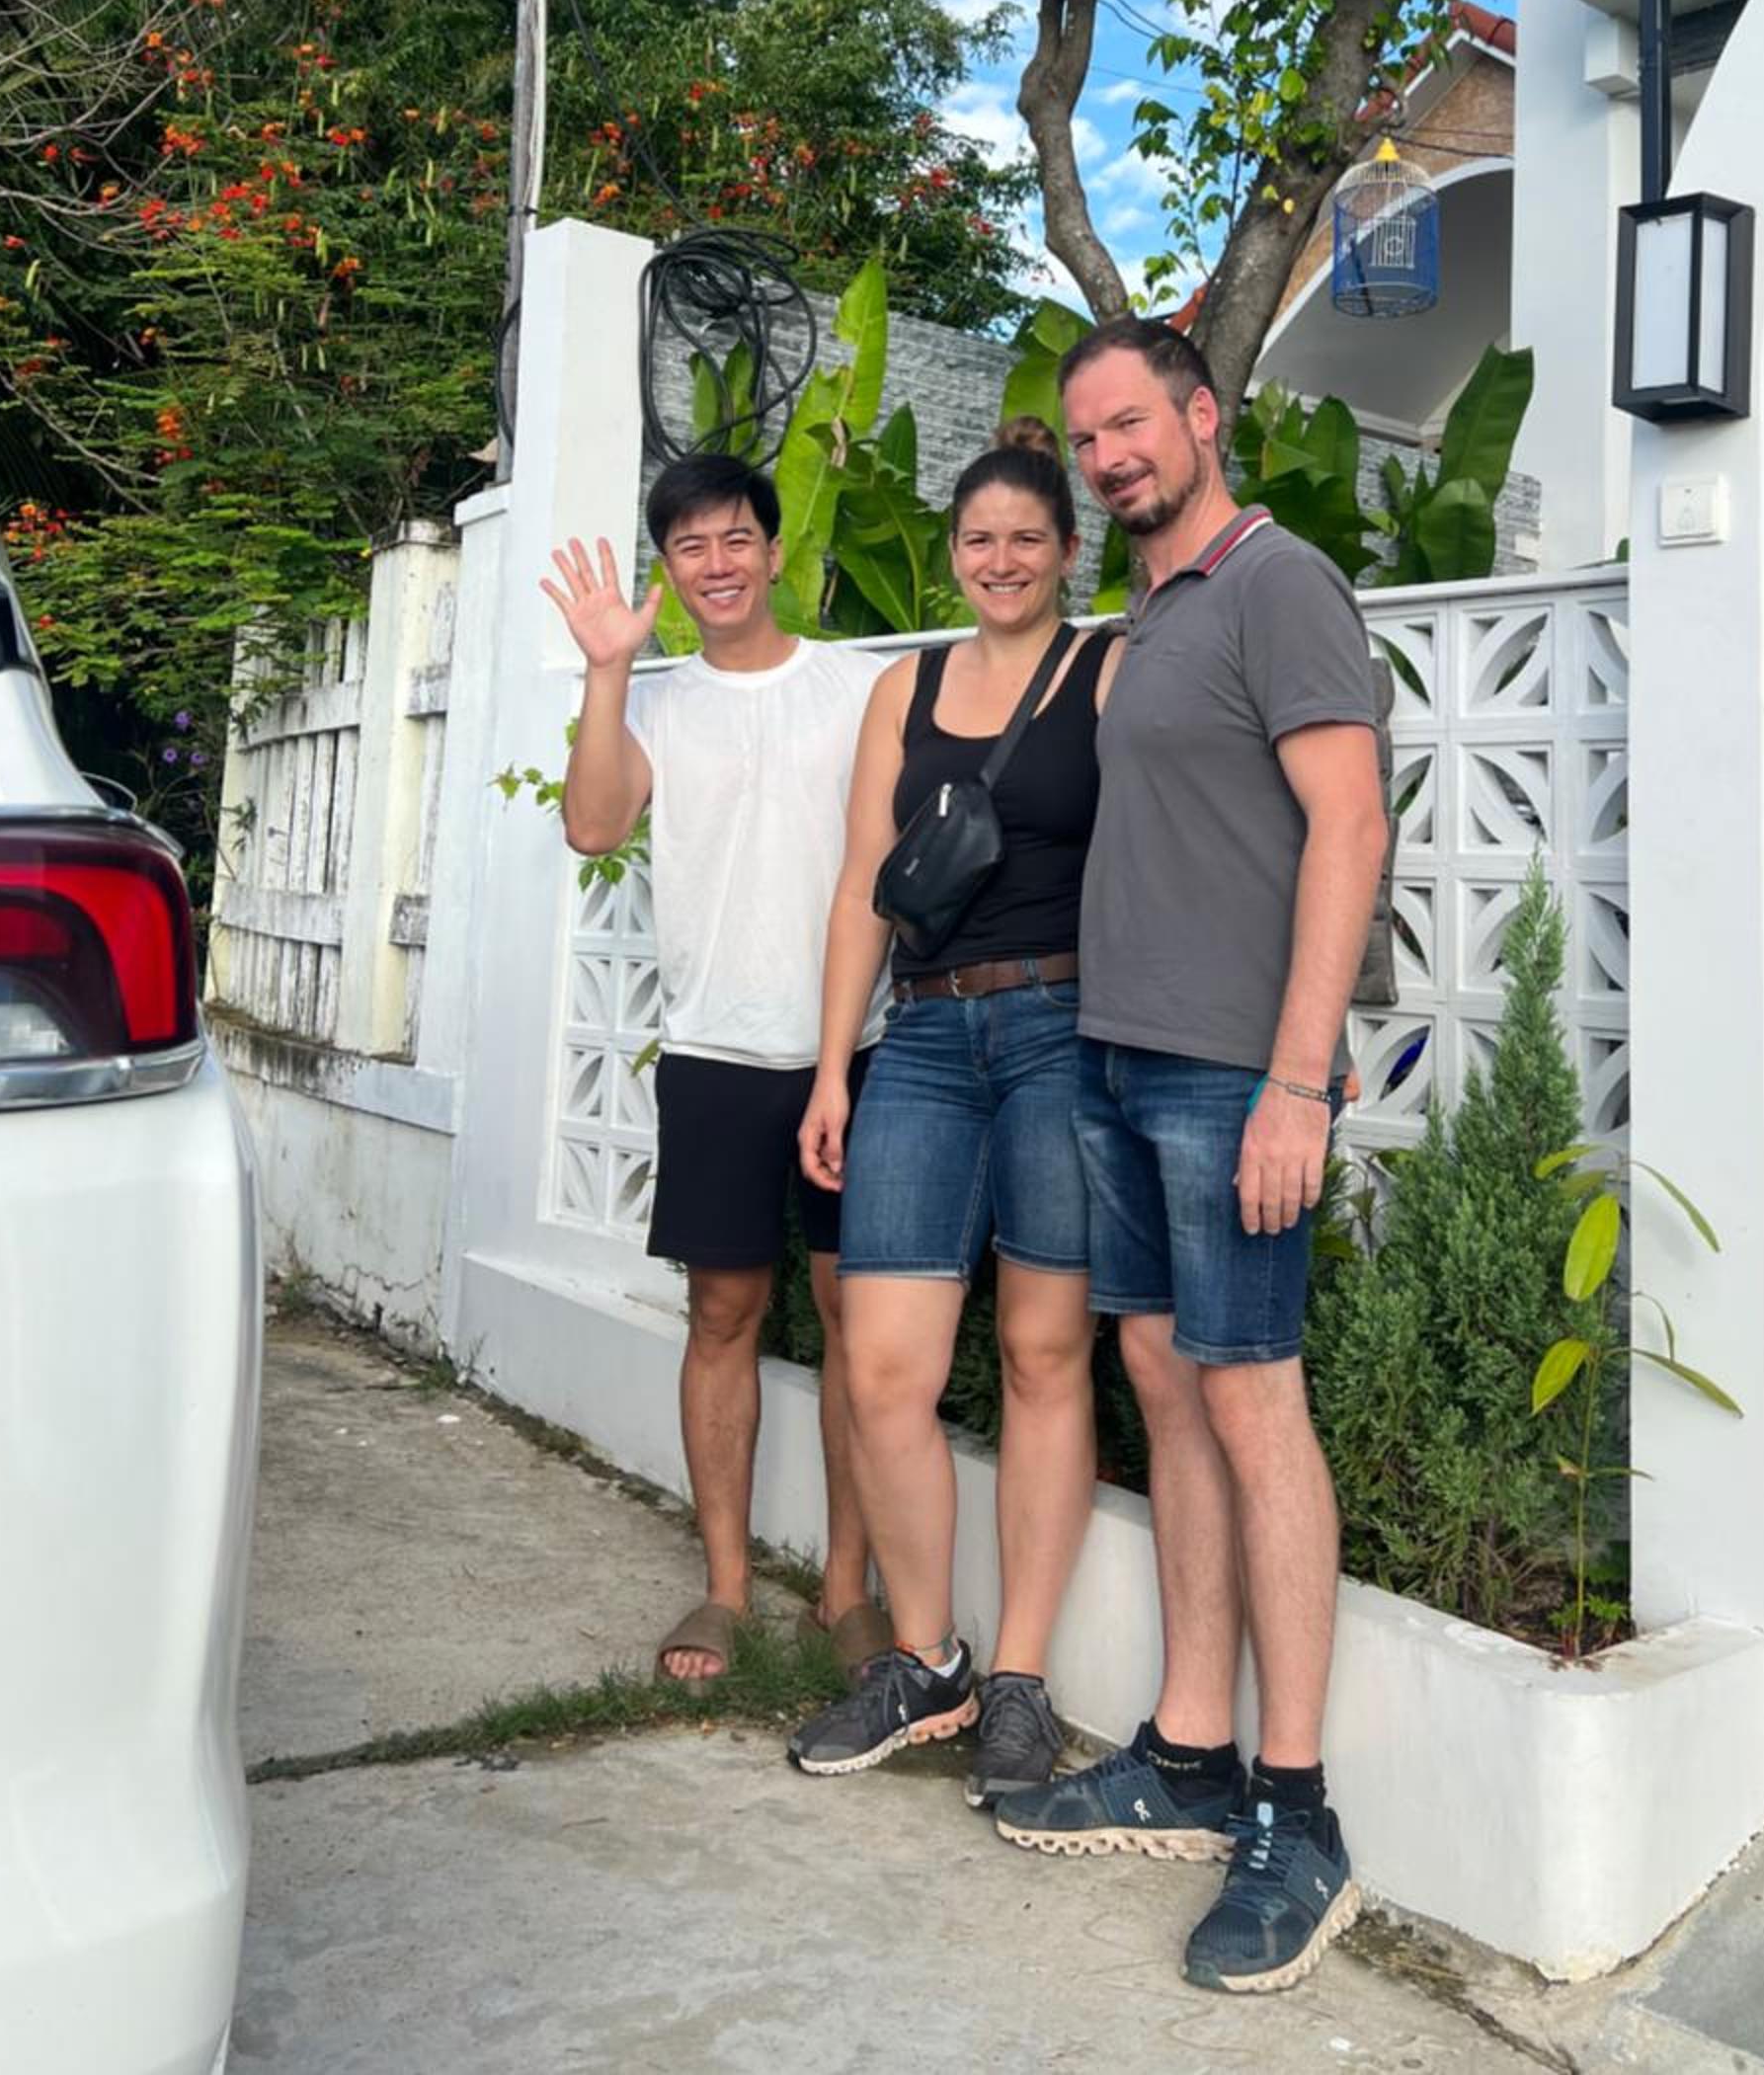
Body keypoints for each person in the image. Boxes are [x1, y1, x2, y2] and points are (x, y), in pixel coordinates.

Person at [994, 318, 1389, 2000]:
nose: (1107, 456)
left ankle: (1298, 1815)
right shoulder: (1149, 612)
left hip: (1233, 1072)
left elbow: (1349, 823)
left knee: (1252, 1399)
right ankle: (1190, 1749)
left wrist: (1298, 1078)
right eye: (1086, 437)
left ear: (1202, 417)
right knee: (1167, 1386)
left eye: (1129, 424)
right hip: (1119, 1055)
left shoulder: (1276, 581)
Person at [785, 422, 1122, 1809]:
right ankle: (928, 1662)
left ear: (1066, 552)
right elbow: (863, 884)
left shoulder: (1107, 670)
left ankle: (1021, 1680)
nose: (1001, 559)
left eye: (1027, 538)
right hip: (922, 1038)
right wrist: (833, 1069)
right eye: (979, 539)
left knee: (1044, 1355)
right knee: (882, 1369)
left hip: (1061, 1029)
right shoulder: (904, 689)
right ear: (952, 554)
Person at [542, 454, 889, 1688]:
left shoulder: (861, 687)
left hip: (856, 1050)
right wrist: (607, 670)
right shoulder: (657, 705)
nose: (718, 564)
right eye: (691, 547)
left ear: (774, 552)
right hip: (712, 1054)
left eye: (737, 539)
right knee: (722, 1316)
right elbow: (594, 825)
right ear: (670, 571)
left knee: (859, 1326)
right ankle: (728, 1588)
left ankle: (846, 1593)